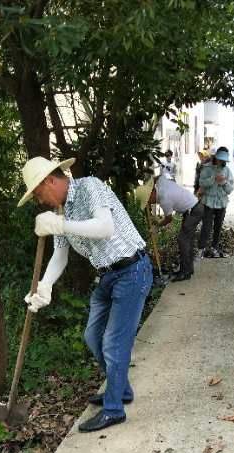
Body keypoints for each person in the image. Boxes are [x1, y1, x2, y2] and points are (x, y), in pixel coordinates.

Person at [18, 156, 153, 433]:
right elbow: (60, 255)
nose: (39, 201)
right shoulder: (60, 211)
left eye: (38, 193)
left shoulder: (90, 187)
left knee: (114, 345)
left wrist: (62, 226)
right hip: (107, 276)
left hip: (131, 270)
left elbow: (104, 228)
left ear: (49, 181)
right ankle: (121, 389)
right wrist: (44, 287)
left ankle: (114, 409)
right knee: (93, 337)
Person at [135, 175, 203, 282]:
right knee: (186, 240)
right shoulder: (161, 183)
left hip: (194, 211)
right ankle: (188, 270)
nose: (149, 203)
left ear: (151, 193)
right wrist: (149, 183)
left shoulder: (164, 198)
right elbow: (158, 177)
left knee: (183, 240)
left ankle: (185, 272)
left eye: (148, 200)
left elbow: (168, 219)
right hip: (192, 208)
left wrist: (156, 226)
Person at [198, 146, 234, 258]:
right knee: (206, 226)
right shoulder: (207, 168)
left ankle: (214, 248)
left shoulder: (227, 171)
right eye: (220, 159)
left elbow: (230, 190)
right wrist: (213, 179)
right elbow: (201, 183)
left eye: (224, 160)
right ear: (216, 157)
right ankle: (201, 249)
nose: (222, 162)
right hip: (209, 201)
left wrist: (223, 182)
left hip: (222, 203)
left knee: (218, 227)